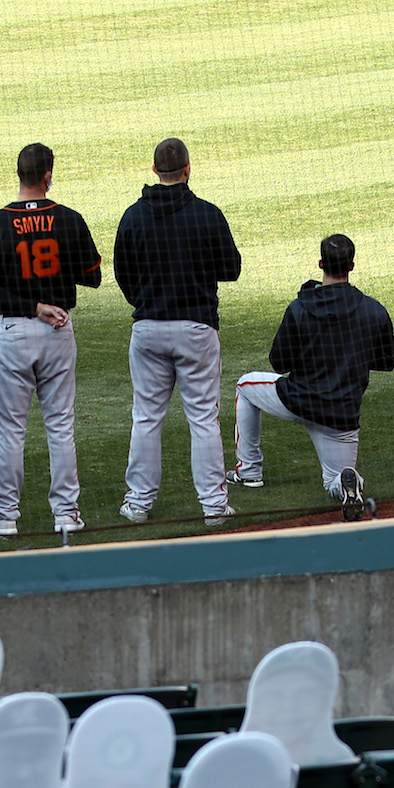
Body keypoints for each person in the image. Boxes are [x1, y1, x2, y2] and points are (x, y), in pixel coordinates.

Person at [0, 143, 101, 537]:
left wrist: (30, 304)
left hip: (13, 332)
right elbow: (92, 276)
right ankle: (66, 515)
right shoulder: (69, 219)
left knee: (11, 430)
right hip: (59, 330)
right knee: (60, 426)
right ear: (48, 175)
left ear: (20, 175)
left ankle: (6, 517)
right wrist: (49, 292)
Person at [112, 137, 243, 524]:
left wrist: (147, 299)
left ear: (155, 171)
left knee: (146, 417)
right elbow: (231, 269)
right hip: (196, 329)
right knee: (203, 417)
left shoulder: (133, 216)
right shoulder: (207, 214)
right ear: (187, 169)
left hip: (148, 328)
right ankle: (214, 507)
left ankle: (138, 504)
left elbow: (123, 275)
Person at [233, 235, 394, 513]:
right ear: (352, 266)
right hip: (340, 414)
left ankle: (249, 472)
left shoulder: (300, 308)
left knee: (244, 386)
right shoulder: (374, 310)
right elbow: (386, 361)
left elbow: (278, 363)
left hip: (297, 400)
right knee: (334, 479)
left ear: (321, 264)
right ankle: (351, 480)